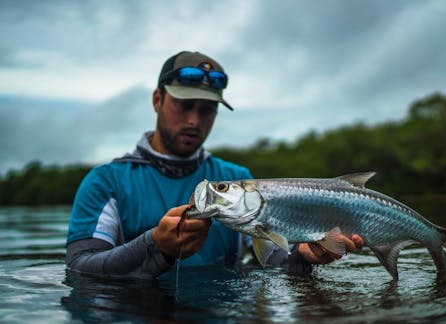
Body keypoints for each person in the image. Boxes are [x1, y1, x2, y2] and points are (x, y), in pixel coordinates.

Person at [65, 51, 364, 280]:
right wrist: (156, 245)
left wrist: (302, 255)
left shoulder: (237, 179)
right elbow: (80, 268)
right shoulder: (105, 182)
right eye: (184, 105)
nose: (194, 120)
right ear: (157, 99)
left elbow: (269, 259)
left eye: (207, 109)